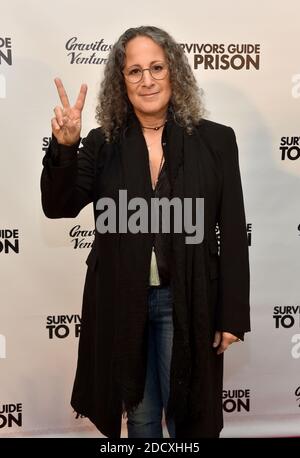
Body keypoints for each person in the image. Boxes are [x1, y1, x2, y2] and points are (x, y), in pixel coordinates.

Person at [40, 25, 250, 439]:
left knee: (190, 418)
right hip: (123, 302)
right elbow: (58, 206)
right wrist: (64, 147)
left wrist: (232, 315)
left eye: (156, 67)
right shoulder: (103, 144)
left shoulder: (216, 141)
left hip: (189, 301)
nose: (147, 79)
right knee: (140, 419)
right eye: (134, 71)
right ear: (122, 82)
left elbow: (232, 232)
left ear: (174, 71)